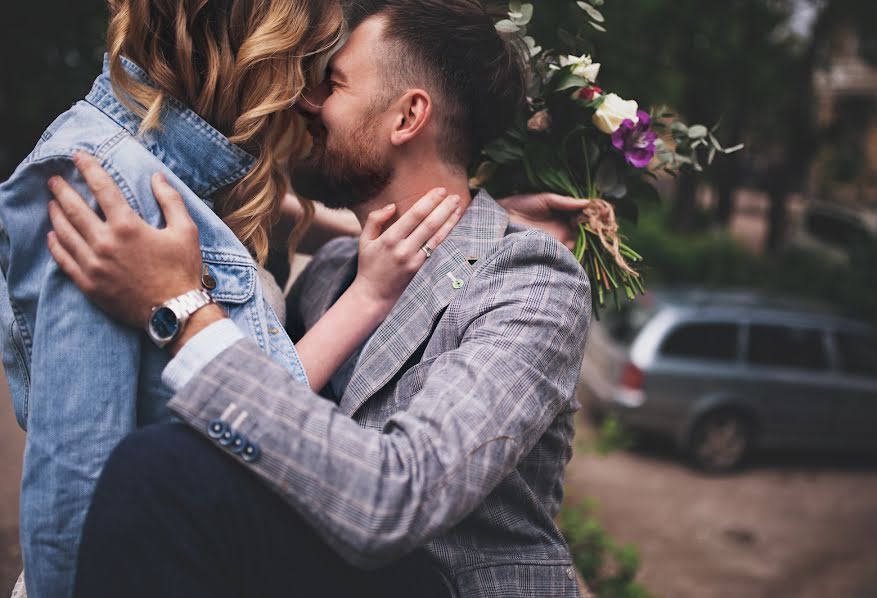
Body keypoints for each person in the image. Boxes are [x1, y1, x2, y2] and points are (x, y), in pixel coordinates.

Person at [47, 1, 593, 596]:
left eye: (333, 83)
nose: (306, 101)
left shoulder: (530, 282)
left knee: (164, 470)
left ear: (408, 116)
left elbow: (399, 499)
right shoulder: (334, 272)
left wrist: (180, 308)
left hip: (449, 582)